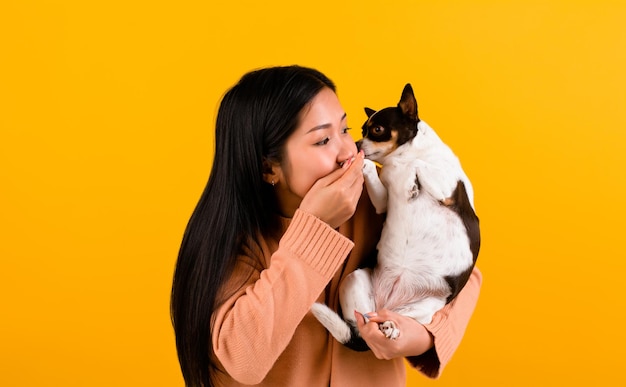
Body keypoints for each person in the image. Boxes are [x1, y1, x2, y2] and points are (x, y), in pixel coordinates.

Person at [170, 65, 482, 387]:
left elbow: (461, 269)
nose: (350, 150)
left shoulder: (373, 200)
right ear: (268, 167)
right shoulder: (238, 241)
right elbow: (243, 358)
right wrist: (314, 228)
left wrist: (420, 336)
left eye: (345, 130)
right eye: (322, 140)